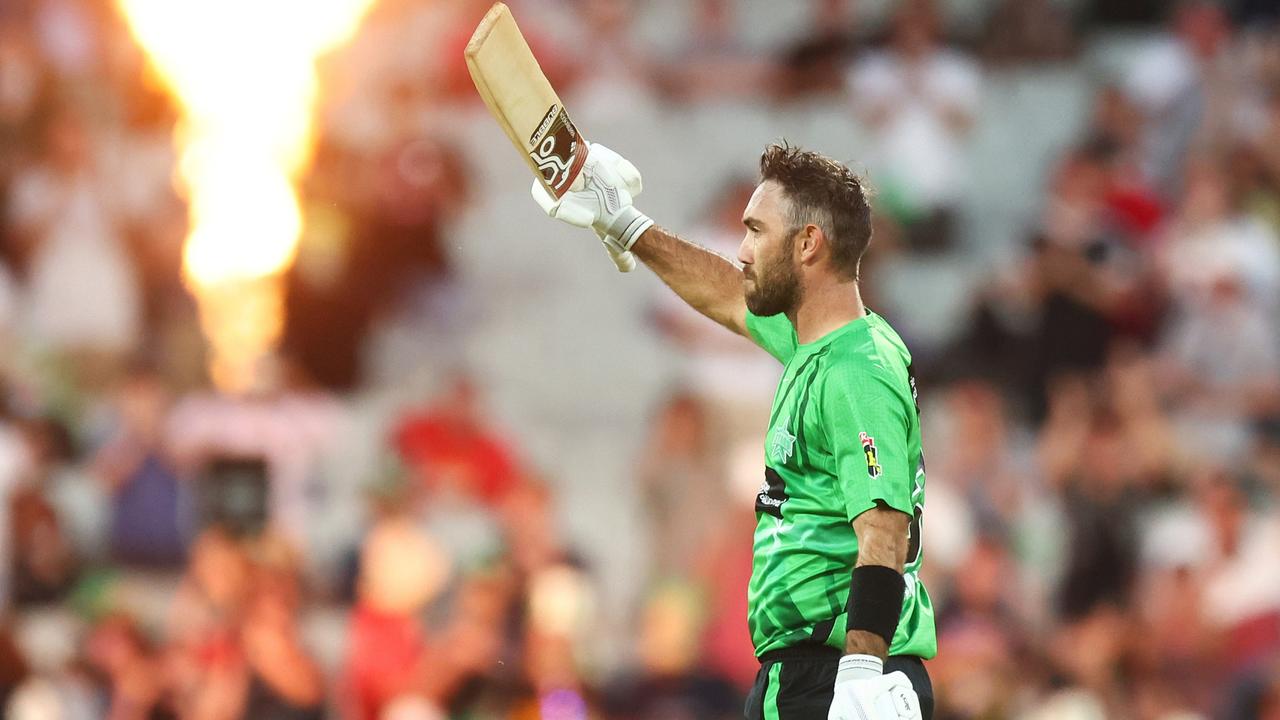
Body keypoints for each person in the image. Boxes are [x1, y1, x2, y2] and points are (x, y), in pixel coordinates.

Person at [531, 142, 936, 719]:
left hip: (837, 675)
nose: (742, 251)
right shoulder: (821, 342)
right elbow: (724, 294)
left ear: (807, 244)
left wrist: (861, 674)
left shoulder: (854, 372)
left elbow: (885, 527)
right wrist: (623, 222)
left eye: (755, 231)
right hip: (815, 670)